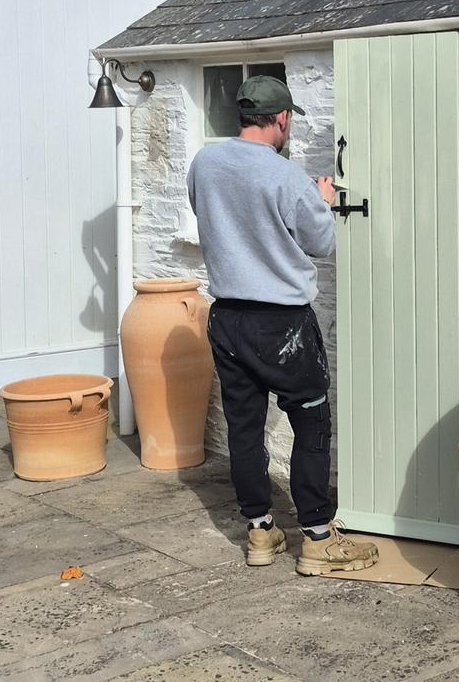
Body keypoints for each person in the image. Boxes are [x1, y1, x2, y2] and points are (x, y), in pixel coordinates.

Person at [187, 73, 378, 576]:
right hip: (282, 324)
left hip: (227, 318)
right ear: (282, 118)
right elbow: (321, 243)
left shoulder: (204, 163)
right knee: (311, 422)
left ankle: (260, 531)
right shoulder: (287, 177)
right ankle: (317, 538)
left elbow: (213, 216)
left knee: (244, 427)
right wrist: (323, 201)